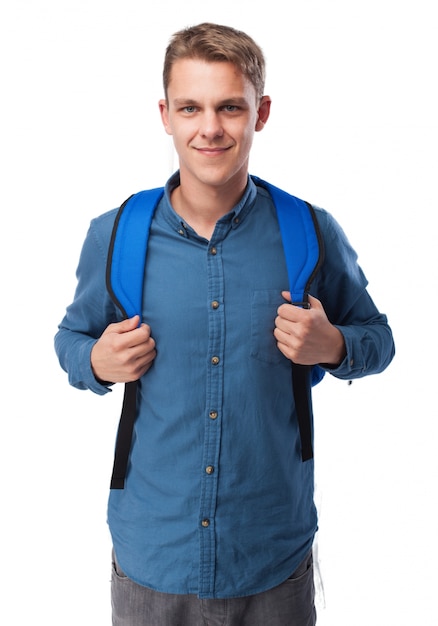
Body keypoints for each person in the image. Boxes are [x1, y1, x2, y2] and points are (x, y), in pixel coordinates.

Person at [54, 22, 395, 626]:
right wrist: (93, 363)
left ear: (260, 113)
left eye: (230, 107)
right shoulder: (117, 233)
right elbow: (71, 339)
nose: (210, 128)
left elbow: (379, 339)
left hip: (271, 558)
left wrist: (336, 344)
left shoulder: (309, 230)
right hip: (152, 560)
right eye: (191, 107)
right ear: (166, 114)